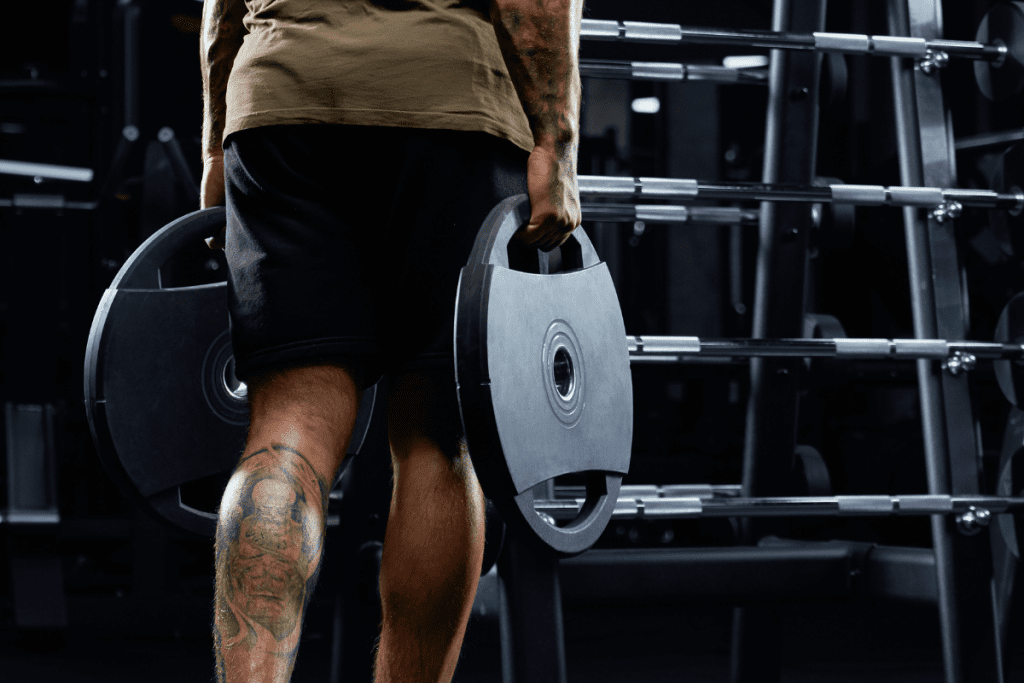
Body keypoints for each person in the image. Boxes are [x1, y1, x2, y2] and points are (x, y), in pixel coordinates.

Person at [198, 0, 584, 681]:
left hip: (282, 100)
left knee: (287, 428)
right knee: (440, 439)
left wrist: (214, 140)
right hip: (449, 103)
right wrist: (556, 141)